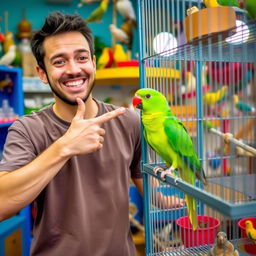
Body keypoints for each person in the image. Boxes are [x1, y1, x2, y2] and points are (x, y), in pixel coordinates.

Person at [0, 11, 143, 256]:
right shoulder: (28, 129)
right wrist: (64, 146)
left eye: (82, 57)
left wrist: (170, 197)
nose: (74, 69)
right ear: (42, 73)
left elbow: (149, 190)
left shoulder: (128, 121)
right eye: (59, 61)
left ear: (93, 63)